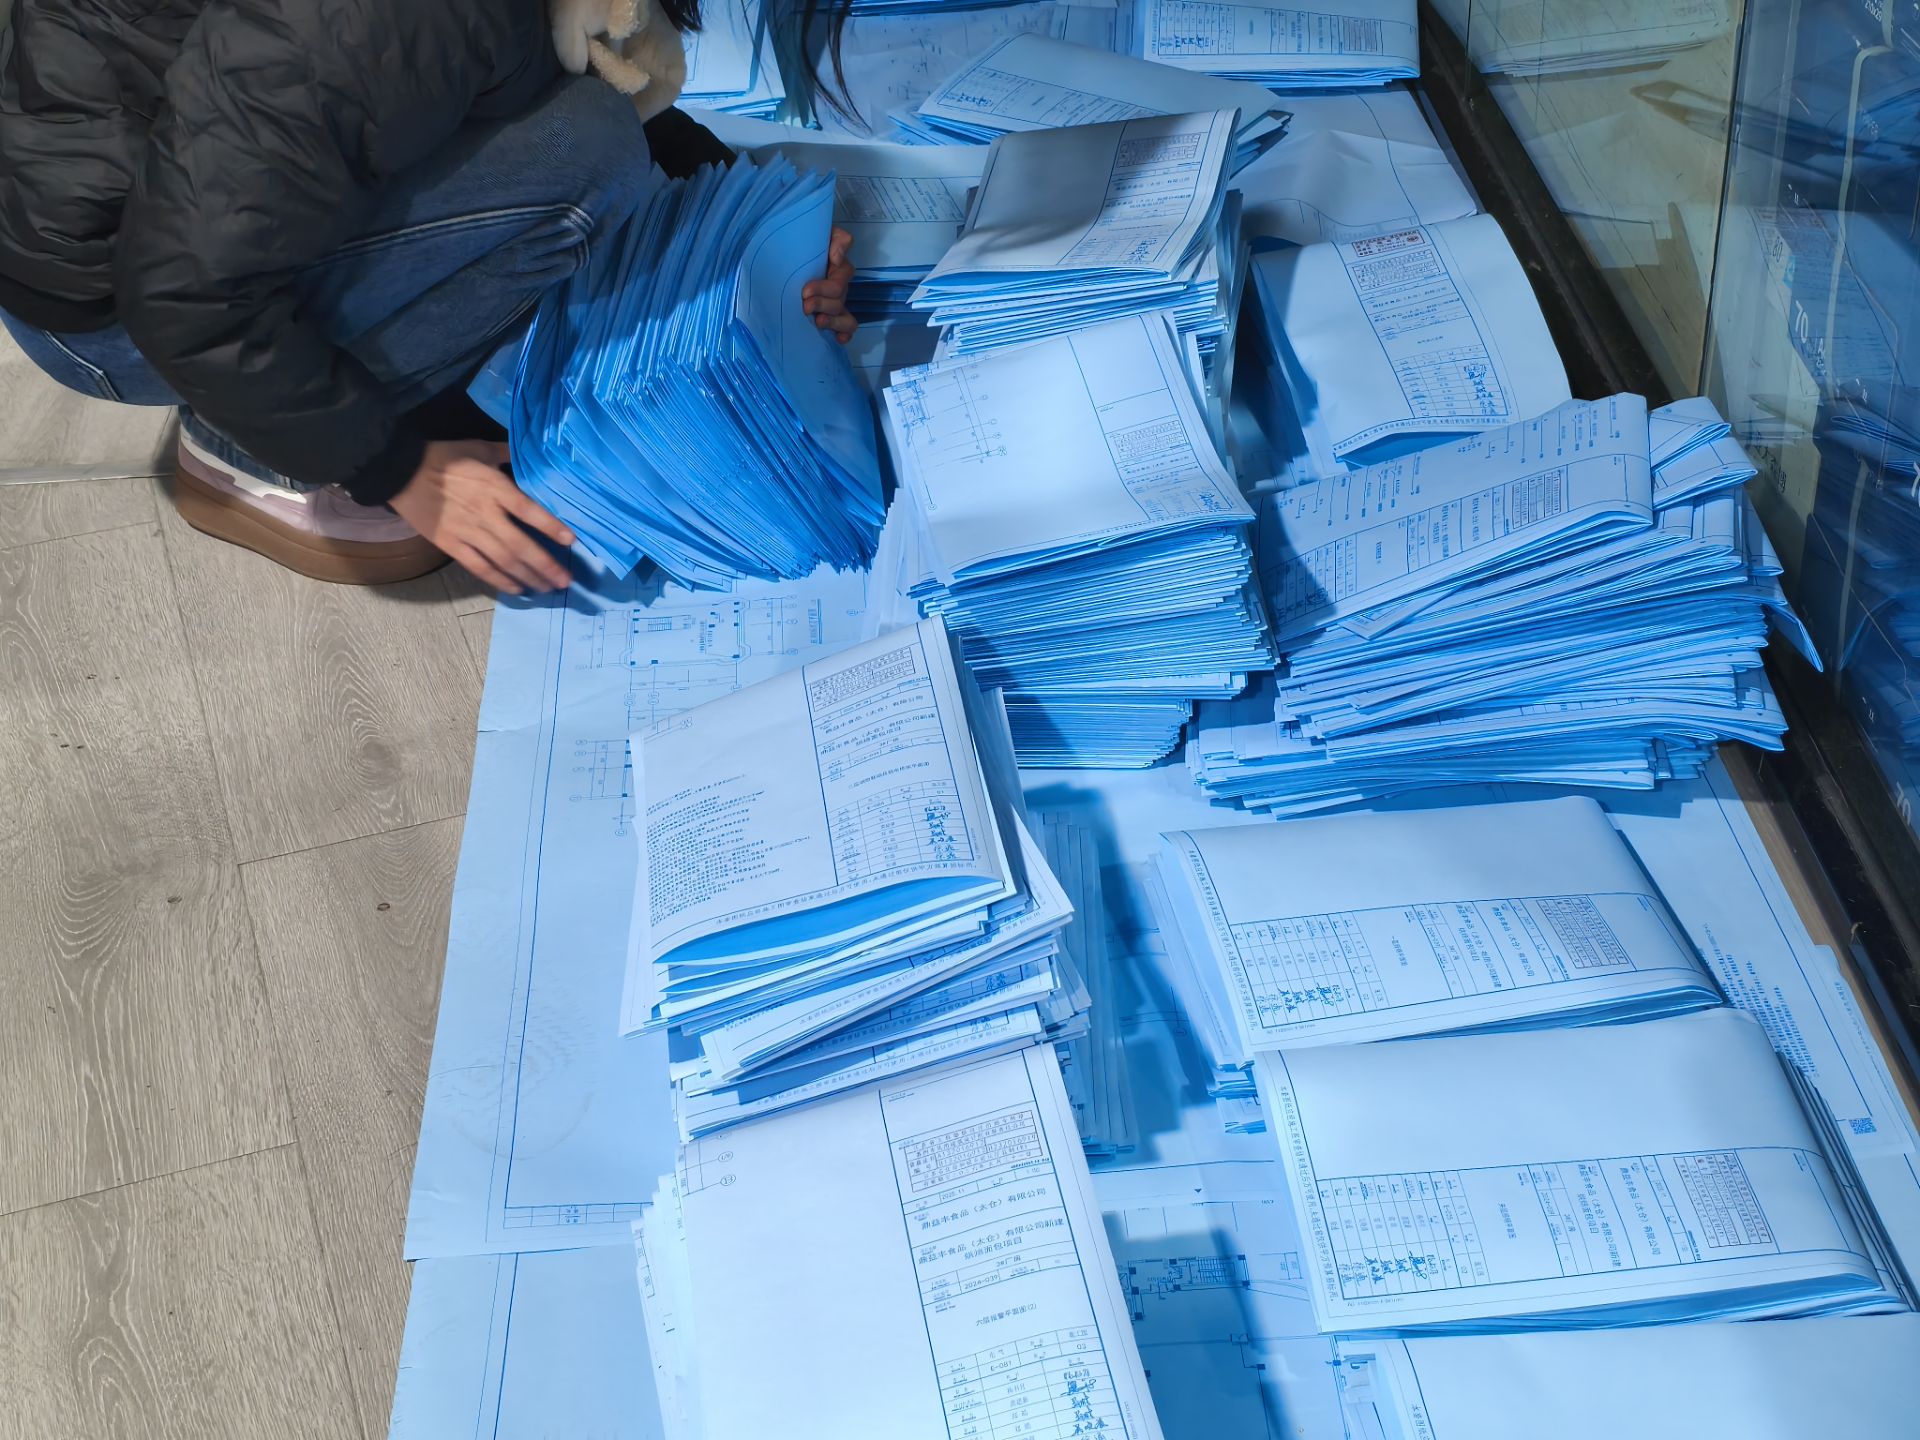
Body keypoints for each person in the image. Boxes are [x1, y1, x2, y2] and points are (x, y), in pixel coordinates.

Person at [0, 0, 858, 591]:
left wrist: (746, 218)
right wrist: (397, 469)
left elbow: (542, 51)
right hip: (115, 309)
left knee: (585, 136)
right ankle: (253, 450)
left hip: (165, 193)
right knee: (585, 151)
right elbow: (179, 290)